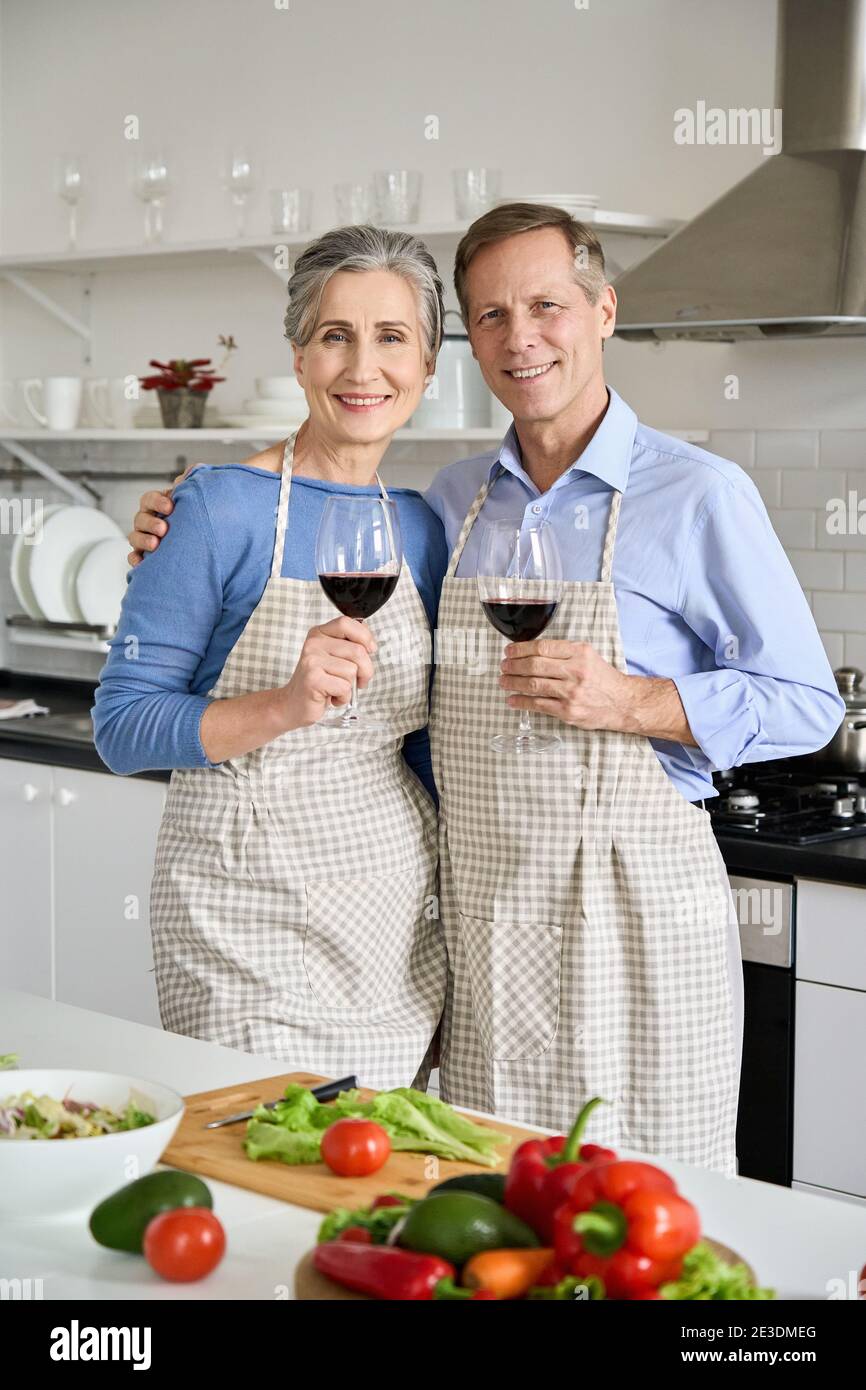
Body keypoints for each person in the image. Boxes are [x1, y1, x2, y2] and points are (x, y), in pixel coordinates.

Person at [127, 204, 844, 1174]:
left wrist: (628, 700)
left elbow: (807, 701)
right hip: (483, 935)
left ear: (600, 310)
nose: (521, 338)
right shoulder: (447, 502)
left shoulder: (696, 493)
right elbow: (414, 710)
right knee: (484, 1201)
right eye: (491, 316)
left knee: (636, 1211)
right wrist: (186, 525)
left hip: (633, 932)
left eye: (545, 305)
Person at [93, 226, 449, 1091]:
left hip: (393, 931)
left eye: (392, 338)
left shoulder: (425, 528)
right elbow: (123, 725)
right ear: (298, 357)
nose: (364, 368)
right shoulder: (217, 508)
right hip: (244, 925)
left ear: (429, 367)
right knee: (262, 1175)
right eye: (336, 336)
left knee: (367, 1192)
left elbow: (421, 746)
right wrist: (283, 706)